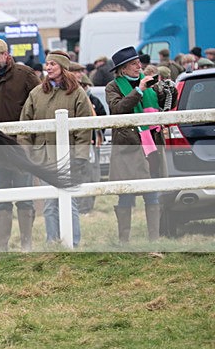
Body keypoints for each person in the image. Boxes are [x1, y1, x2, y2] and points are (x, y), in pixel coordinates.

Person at [18, 50, 92, 247]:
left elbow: (84, 130)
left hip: (69, 156)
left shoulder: (77, 94)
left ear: (63, 68)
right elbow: (24, 125)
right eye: (47, 64)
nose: (48, 67)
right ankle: (52, 242)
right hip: (43, 157)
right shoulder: (36, 94)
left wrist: (81, 157)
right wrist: (26, 152)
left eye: (52, 64)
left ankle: (73, 242)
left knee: (69, 201)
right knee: (50, 202)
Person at [105, 46, 176, 244]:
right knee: (127, 194)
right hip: (129, 147)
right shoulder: (113, 87)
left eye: (138, 63)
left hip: (151, 144)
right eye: (134, 64)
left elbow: (162, 106)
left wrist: (168, 91)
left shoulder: (150, 82)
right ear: (123, 68)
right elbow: (118, 109)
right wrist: (139, 90)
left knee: (152, 193)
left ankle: (154, 239)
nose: (139, 67)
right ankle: (124, 241)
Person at [0, 38, 40, 254]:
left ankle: (26, 244)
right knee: (1, 198)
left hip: (21, 146)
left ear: (6, 55)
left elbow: (39, 103)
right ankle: (1, 245)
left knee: (24, 198)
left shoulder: (25, 75)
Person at [77, 74, 107, 215]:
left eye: (84, 85)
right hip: (81, 144)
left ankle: (89, 207)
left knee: (94, 176)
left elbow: (103, 119)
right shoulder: (76, 100)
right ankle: (81, 208)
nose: (83, 88)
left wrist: (98, 133)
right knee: (82, 176)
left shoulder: (94, 101)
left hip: (95, 144)